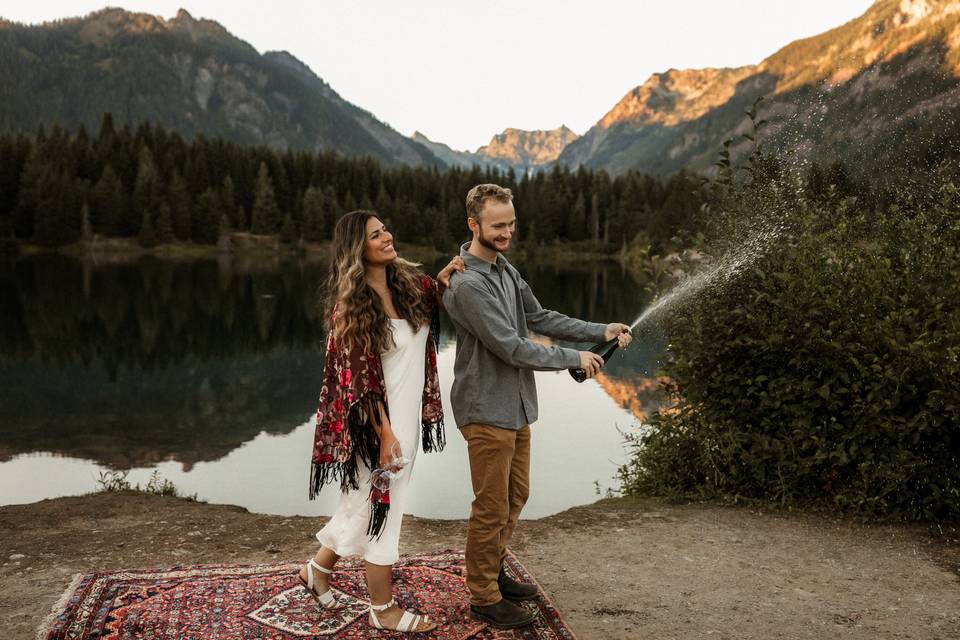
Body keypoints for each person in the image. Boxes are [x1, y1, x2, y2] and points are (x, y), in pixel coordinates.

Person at [442, 184, 633, 629]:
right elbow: (512, 347)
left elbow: (541, 318)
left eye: (511, 223)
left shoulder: (505, 269)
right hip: (485, 408)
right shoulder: (468, 285)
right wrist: (574, 357)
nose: (507, 231)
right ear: (473, 225)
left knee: (516, 495)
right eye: (497, 225)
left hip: (515, 406)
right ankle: (483, 595)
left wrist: (598, 331)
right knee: (491, 505)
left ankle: (495, 569)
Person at [301, 210, 463, 633]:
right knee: (382, 513)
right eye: (376, 235)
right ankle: (382, 608)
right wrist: (385, 435)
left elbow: (433, 299)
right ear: (359, 249)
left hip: (405, 421)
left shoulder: (409, 285)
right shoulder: (352, 308)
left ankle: (316, 571)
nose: (388, 237)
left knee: (359, 504)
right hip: (378, 429)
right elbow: (361, 385)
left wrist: (444, 277)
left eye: (386, 228)